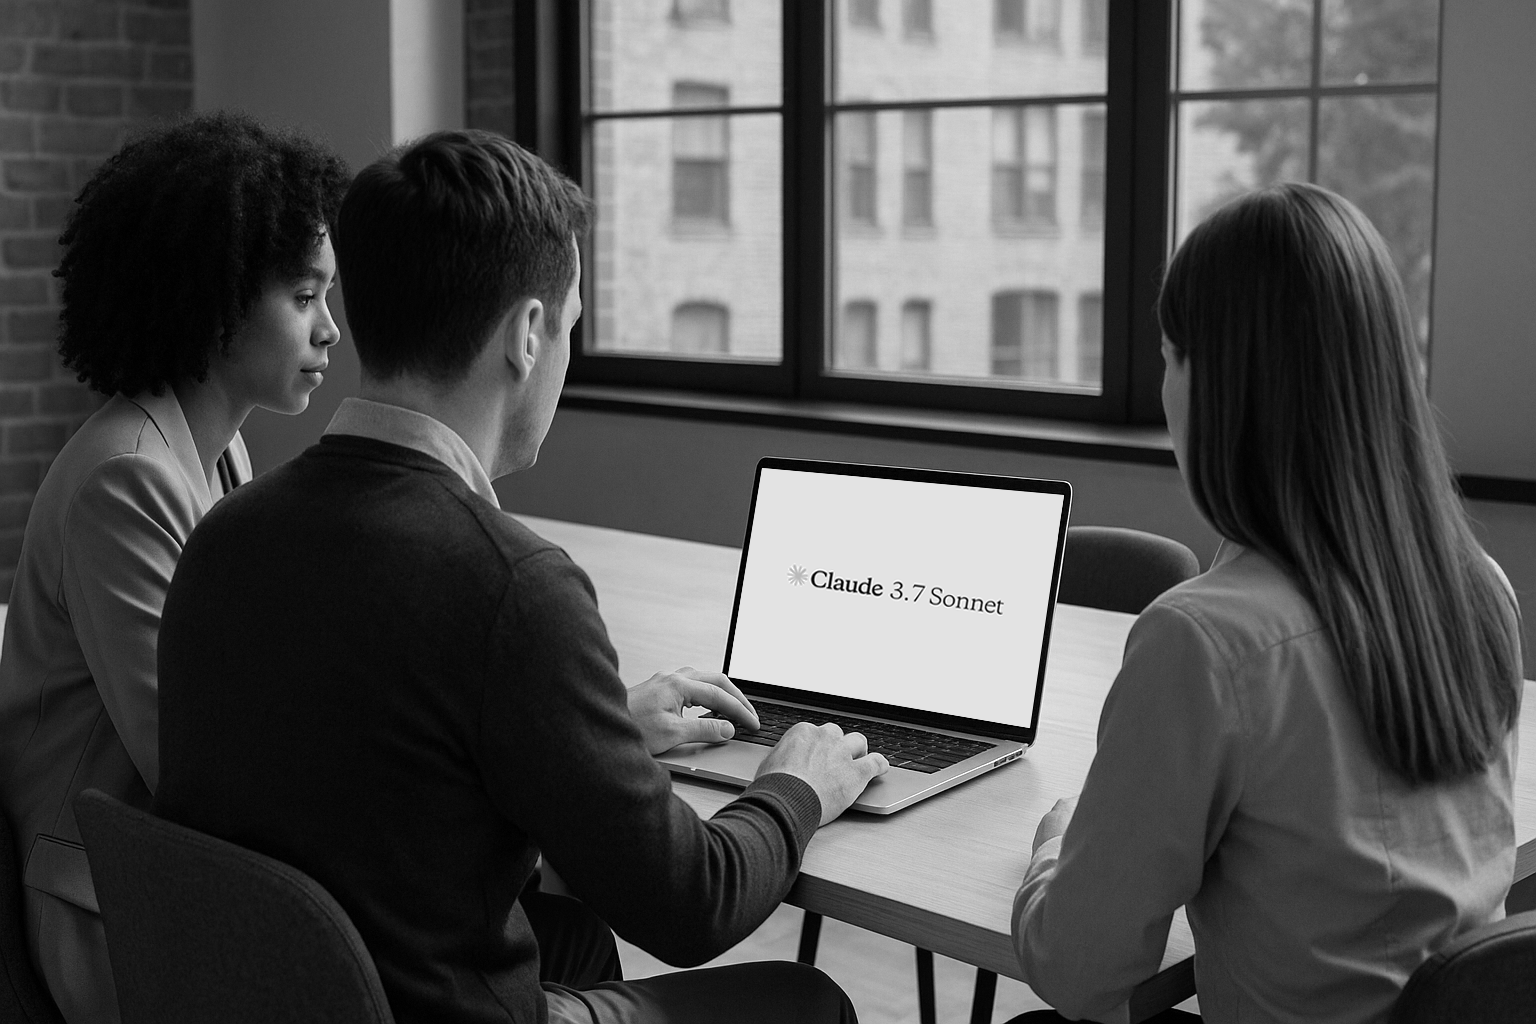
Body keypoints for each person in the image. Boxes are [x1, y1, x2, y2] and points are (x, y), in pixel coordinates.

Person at [153, 129, 888, 1024]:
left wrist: (595, 737)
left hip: (281, 1001)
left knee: (572, 938)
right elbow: (694, 906)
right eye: (572, 327)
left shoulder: (225, 536)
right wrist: (796, 785)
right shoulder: (511, 583)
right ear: (528, 335)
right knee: (803, 1001)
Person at [1008, 183, 1523, 1024]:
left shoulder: (1204, 641)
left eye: (1172, 354)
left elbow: (1079, 970)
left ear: (1226, 391)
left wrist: (1055, 849)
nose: (1162, 382)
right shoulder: (1480, 593)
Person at [0, 112, 348, 1024]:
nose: (332, 331)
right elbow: (197, 759)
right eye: (307, 296)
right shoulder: (128, 477)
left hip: (178, 875)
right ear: (220, 295)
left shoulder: (216, 454)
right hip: (109, 909)